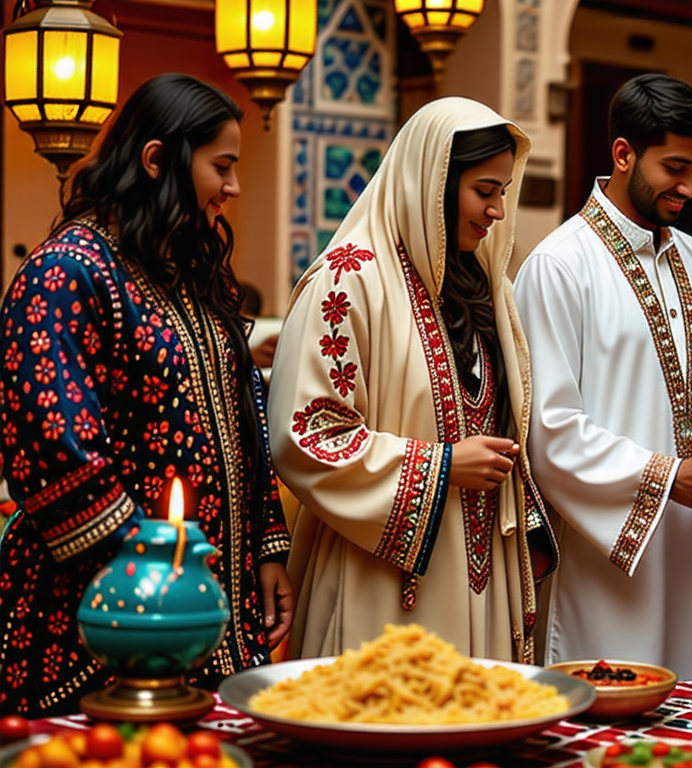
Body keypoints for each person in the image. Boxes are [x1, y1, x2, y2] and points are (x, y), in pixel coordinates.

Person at [0, 74, 293, 716]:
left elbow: (248, 419)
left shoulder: (191, 274)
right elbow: (52, 447)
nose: (234, 187)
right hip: (99, 624)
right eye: (222, 166)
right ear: (157, 159)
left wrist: (268, 544)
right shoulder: (66, 272)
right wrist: (156, 574)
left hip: (216, 612)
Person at [268, 98, 556, 664]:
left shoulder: (483, 288)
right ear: (435, 183)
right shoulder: (347, 281)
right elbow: (306, 435)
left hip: (479, 571)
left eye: (503, 191)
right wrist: (443, 466)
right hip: (378, 576)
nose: (498, 210)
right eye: (484, 190)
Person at [515, 74, 692, 679]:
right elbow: (548, 428)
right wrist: (671, 477)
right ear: (623, 154)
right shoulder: (558, 265)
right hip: (609, 560)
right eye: (675, 167)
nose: (690, 186)